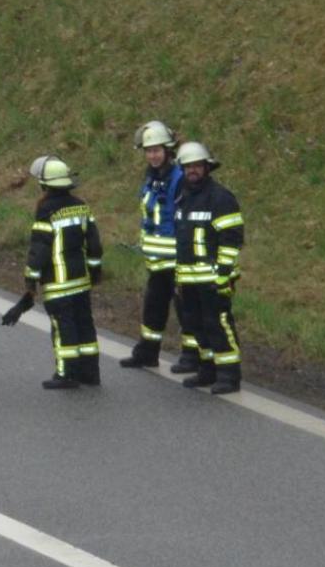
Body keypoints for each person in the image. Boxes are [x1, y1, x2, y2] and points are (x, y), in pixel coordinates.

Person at [118, 120, 199, 371]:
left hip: (178, 260)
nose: (152, 155)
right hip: (156, 260)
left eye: (157, 150)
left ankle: (192, 356)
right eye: (148, 151)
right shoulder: (151, 179)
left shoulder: (179, 179)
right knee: (153, 308)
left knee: (186, 310)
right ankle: (147, 352)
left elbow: (183, 219)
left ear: (168, 151)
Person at [21, 157, 104, 389]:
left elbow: (40, 248)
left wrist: (31, 278)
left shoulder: (46, 210)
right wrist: (95, 270)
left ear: (44, 185)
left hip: (58, 283)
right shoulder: (82, 206)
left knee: (63, 327)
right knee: (85, 325)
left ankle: (66, 373)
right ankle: (90, 373)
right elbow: (95, 245)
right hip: (81, 280)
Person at [172, 141, 246, 395]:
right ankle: (208, 369)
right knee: (195, 324)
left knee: (218, 324)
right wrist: (179, 276)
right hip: (189, 278)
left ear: (206, 167)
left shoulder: (221, 198)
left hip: (214, 278)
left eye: (197, 166)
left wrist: (223, 275)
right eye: (188, 166)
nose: (192, 170)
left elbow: (231, 239)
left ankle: (229, 374)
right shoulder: (182, 195)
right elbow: (182, 241)